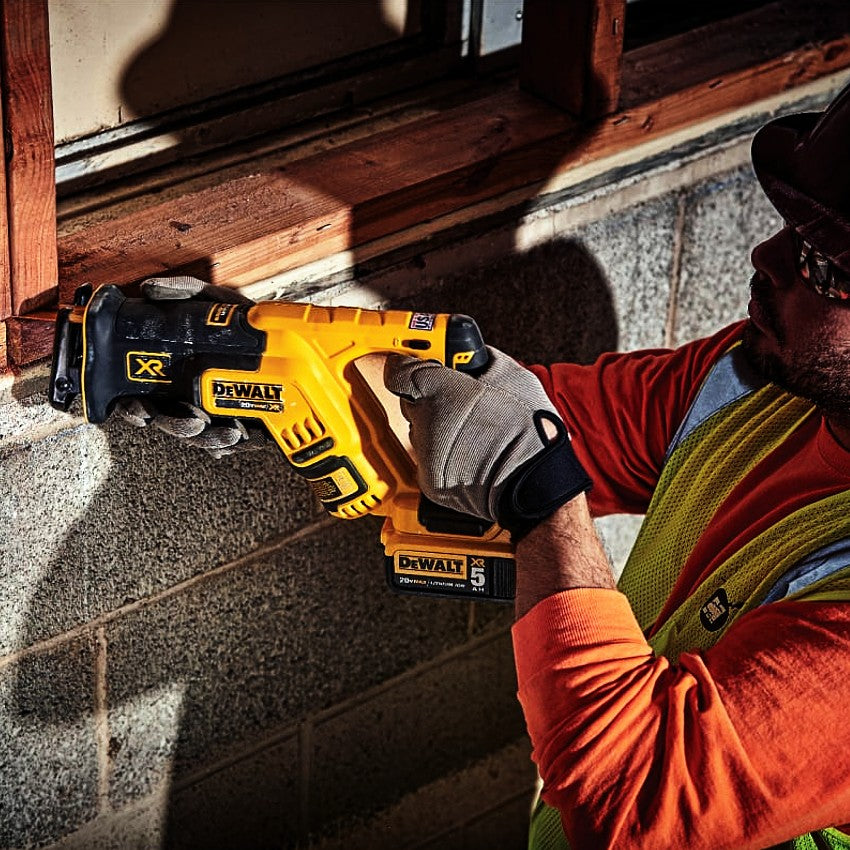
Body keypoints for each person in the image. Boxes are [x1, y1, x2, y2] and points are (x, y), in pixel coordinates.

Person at [383, 81, 850, 850]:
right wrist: (278, 372)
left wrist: (541, 496)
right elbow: (493, 422)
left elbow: (635, 804)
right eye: (789, 227)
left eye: (824, 264)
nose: (767, 259)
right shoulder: (763, 381)